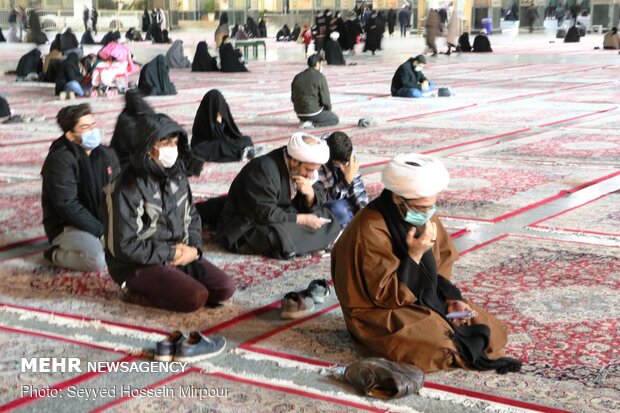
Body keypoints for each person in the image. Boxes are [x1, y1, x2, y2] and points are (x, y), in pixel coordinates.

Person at [331, 153, 523, 374]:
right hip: (379, 311)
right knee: (442, 349)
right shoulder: (370, 229)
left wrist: (451, 298)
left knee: (491, 331)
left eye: (431, 206)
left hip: (419, 295)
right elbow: (384, 295)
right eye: (423, 207)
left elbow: (442, 262)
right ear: (397, 199)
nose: (429, 213)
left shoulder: (420, 213)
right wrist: (415, 255)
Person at [103, 113, 236, 312]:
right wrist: (171, 252)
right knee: (195, 298)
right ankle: (136, 294)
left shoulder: (177, 177)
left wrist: (194, 249)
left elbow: (192, 216)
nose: (171, 149)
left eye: (174, 143)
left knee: (225, 288)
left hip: (177, 253)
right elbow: (124, 246)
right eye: (165, 144)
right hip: (137, 265)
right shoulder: (126, 187)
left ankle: (176, 276)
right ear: (147, 147)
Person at [217, 133, 341, 259]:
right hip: (250, 225)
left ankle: (294, 245)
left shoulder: (307, 169)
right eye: (308, 170)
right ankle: (296, 244)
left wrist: (310, 194)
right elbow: (266, 213)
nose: (311, 175)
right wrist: (303, 219)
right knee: (279, 235)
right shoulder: (263, 169)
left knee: (328, 218)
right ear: (293, 161)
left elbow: (317, 197)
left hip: (284, 215)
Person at [42, 104, 119, 272]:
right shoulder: (60, 160)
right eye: (85, 127)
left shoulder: (106, 155)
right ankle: (54, 254)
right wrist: (101, 231)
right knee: (96, 261)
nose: (92, 130)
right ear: (70, 135)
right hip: (68, 225)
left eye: (93, 125)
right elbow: (67, 204)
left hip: (101, 221)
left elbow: (119, 191)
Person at [317, 131, 368, 227]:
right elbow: (324, 199)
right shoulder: (318, 160)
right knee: (339, 210)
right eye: (342, 164)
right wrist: (346, 181)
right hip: (327, 207)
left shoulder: (347, 155)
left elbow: (358, 190)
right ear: (333, 161)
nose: (346, 165)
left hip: (345, 201)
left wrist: (365, 212)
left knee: (372, 211)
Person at [191, 89, 257, 162]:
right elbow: (217, 135)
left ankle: (242, 151)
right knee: (226, 146)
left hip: (220, 141)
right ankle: (242, 152)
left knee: (246, 139)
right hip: (203, 145)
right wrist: (218, 119)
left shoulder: (219, 110)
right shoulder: (204, 116)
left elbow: (231, 130)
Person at [291, 54, 339, 128]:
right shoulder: (320, 77)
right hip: (313, 113)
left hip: (299, 113)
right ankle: (312, 124)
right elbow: (326, 101)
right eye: (321, 64)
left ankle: (306, 120)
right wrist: (327, 111)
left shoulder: (297, 76)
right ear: (317, 64)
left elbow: (293, 98)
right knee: (334, 119)